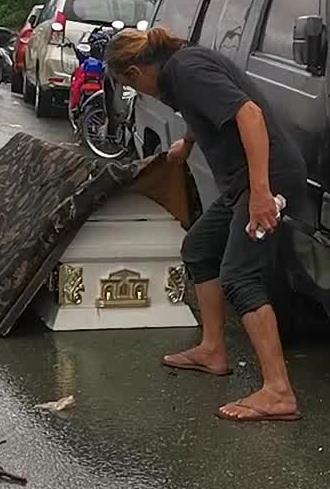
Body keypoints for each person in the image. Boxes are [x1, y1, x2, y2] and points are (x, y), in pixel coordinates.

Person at [105, 27, 307, 423]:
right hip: (242, 184)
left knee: (239, 275)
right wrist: (188, 142)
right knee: (199, 247)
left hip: (268, 180)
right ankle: (213, 350)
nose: (142, 95)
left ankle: (278, 391)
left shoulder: (187, 69)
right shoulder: (179, 74)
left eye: (131, 87)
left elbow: (249, 114)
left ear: (133, 72)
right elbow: (213, 110)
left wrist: (262, 193)